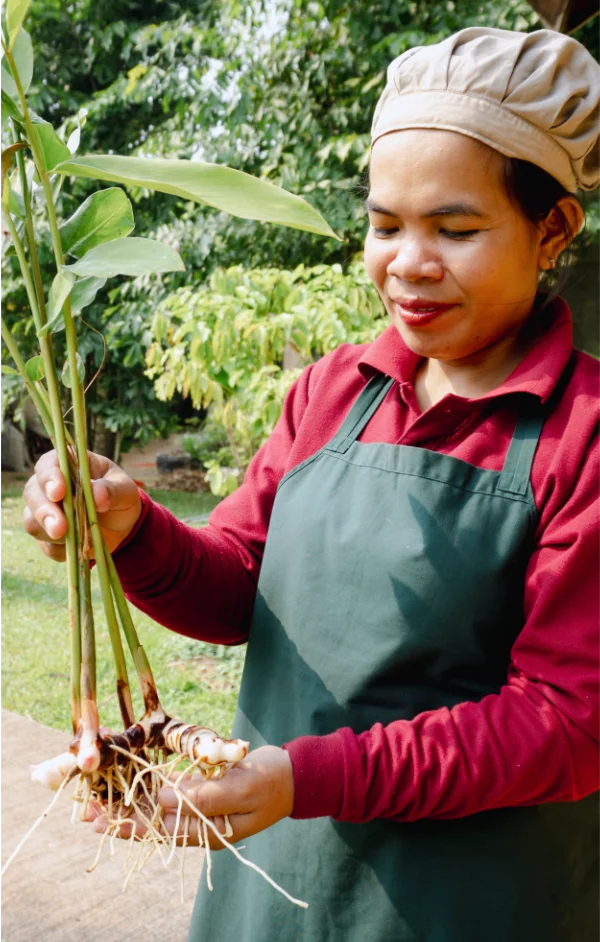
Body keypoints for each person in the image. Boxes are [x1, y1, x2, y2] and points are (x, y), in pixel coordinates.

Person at [23, 26, 600, 942]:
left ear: (553, 229)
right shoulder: (334, 389)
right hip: (272, 883)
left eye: (454, 229)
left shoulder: (585, 435)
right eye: (384, 225)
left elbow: (568, 723)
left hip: (470, 906)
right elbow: (245, 585)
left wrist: (309, 778)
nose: (407, 262)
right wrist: (133, 530)